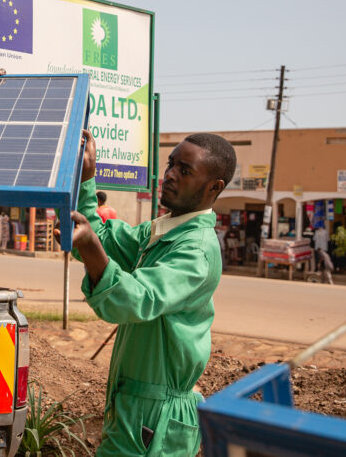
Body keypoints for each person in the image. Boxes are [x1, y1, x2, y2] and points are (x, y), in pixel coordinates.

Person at [64, 131, 235, 456]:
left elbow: (136, 299)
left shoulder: (195, 251)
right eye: (171, 164)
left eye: (185, 171)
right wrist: (87, 178)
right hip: (136, 407)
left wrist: (90, 245)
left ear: (214, 187)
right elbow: (103, 240)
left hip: (156, 418)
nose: (170, 175)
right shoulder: (162, 231)